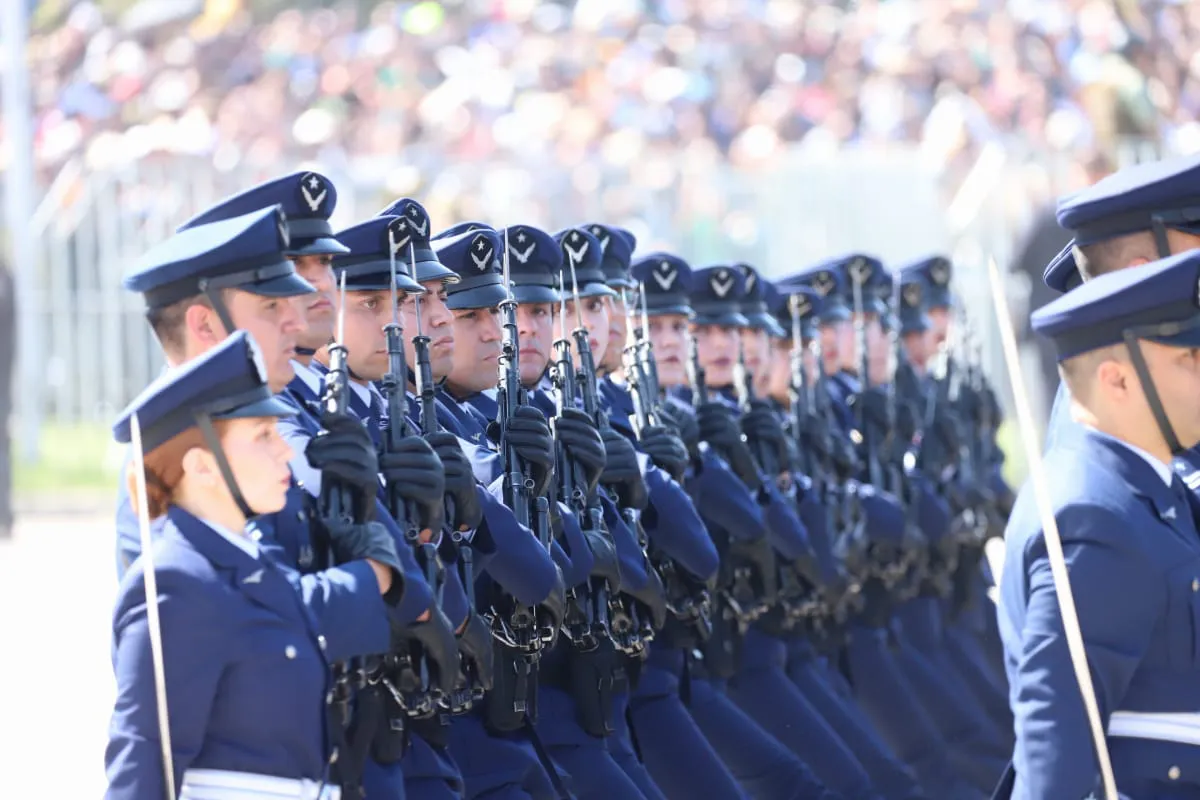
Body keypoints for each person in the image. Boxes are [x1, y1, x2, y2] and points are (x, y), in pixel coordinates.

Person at [105, 331, 406, 799]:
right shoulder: (175, 584)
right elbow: (142, 769)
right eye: (263, 435)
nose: (285, 450)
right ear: (202, 467)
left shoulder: (252, 562)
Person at [997, 248, 1200, 799]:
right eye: (1188, 357)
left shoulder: (1148, 488)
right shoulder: (1097, 517)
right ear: (1118, 381)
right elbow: (1053, 754)